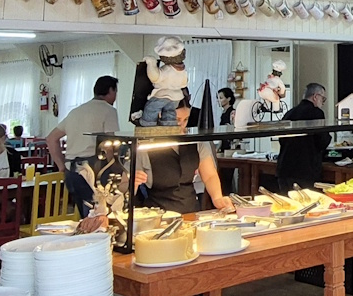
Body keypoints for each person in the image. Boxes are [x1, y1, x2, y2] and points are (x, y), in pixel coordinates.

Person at [137, 99, 232, 214]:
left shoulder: (195, 142)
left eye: (185, 119)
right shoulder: (145, 146)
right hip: (158, 215)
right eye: (177, 119)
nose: (181, 125)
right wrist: (134, 181)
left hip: (191, 213)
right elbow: (124, 186)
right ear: (161, 116)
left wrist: (217, 197)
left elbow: (209, 176)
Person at [46, 75, 121, 216]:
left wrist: (61, 166)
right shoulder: (109, 110)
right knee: (99, 218)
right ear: (111, 90)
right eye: (115, 92)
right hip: (94, 170)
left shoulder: (75, 112)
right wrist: (117, 168)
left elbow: (51, 139)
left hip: (72, 172)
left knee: (85, 217)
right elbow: (108, 144)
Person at [275, 83, 329, 189]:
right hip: (304, 170)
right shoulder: (316, 113)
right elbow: (322, 141)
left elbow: (281, 139)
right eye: (323, 99)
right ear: (315, 97)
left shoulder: (289, 113)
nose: (322, 103)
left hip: (284, 168)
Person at [128, 37, 191, 125]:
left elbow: (155, 77)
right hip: (176, 96)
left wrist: (151, 63)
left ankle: (148, 123)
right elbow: (184, 83)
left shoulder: (167, 69)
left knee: (151, 108)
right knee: (169, 110)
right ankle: (169, 123)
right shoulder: (182, 71)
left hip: (163, 95)